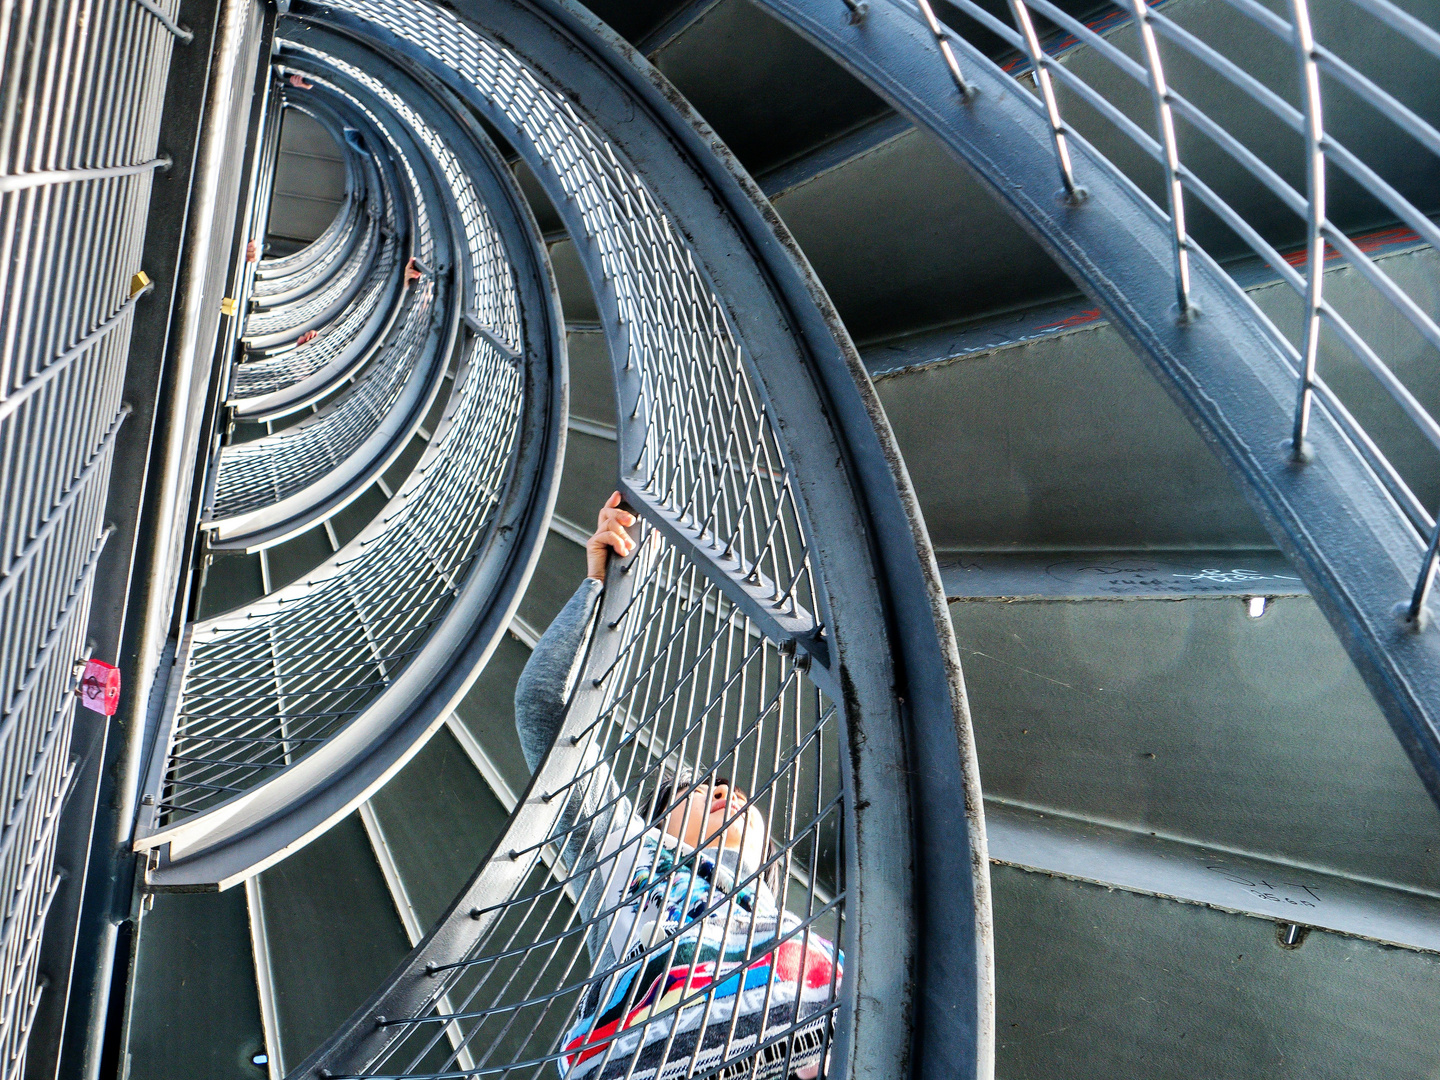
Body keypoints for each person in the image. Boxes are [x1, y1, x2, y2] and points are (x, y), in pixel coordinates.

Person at [515, 493, 840, 1080]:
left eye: (735, 791)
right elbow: (543, 705)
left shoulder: (795, 929)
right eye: (699, 790)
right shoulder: (625, 854)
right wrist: (605, 588)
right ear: (655, 825)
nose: (726, 791)